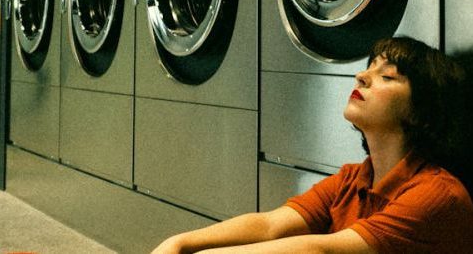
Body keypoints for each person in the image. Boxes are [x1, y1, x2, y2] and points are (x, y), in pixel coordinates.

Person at [151, 37, 473, 253]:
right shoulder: (352, 180)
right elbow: (270, 225)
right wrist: (180, 243)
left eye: (387, 77)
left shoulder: (437, 196)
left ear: (422, 110)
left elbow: (318, 250)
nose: (361, 76)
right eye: (368, 68)